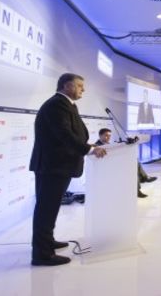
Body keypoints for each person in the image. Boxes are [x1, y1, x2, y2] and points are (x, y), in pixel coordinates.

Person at [30, 73, 106, 266]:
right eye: (79, 86)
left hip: (57, 165)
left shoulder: (66, 104)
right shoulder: (57, 105)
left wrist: (87, 145)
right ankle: (42, 254)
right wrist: (89, 149)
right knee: (46, 209)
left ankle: (47, 242)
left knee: (51, 207)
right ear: (67, 86)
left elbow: (73, 133)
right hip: (52, 166)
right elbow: (64, 134)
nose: (83, 90)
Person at [96, 128, 156, 198]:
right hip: (108, 167)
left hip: (115, 162)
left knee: (134, 162)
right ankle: (141, 183)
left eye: (109, 136)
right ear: (100, 136)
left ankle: (142, 182)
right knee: (131, 169)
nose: (108, 137)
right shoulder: (97, 146)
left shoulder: (109, 144)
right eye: (106, 135)